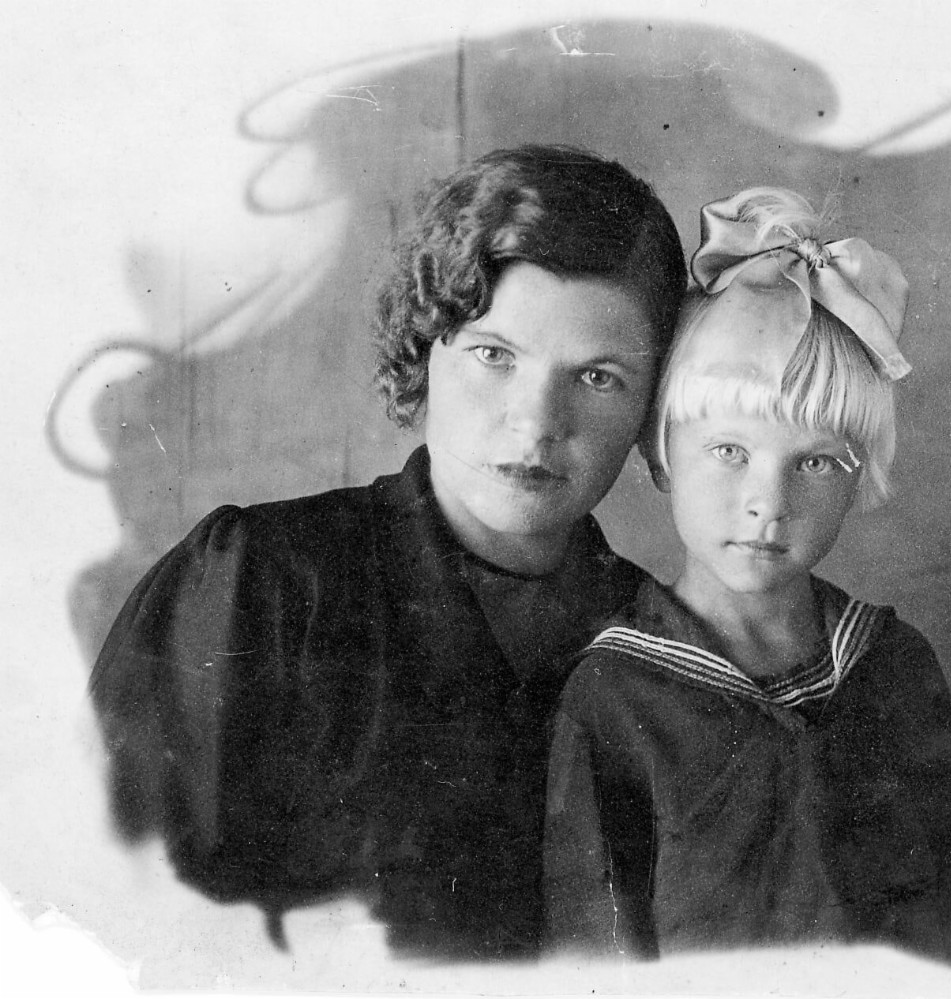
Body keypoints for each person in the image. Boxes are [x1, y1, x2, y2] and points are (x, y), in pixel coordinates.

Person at [88, 145, 688, 959]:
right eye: (494, 355)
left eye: (598, 377)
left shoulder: (671, 647)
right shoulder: (260, 584)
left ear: (653, 405)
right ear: (427, 344)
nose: (537, 421)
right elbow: (105, 929)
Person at [542, 187, 951, 957]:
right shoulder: (612, 698)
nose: (768, 503)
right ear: (660, 456)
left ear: (859, 478)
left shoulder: (892, 663)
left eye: (815, 462)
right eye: (729, 451)